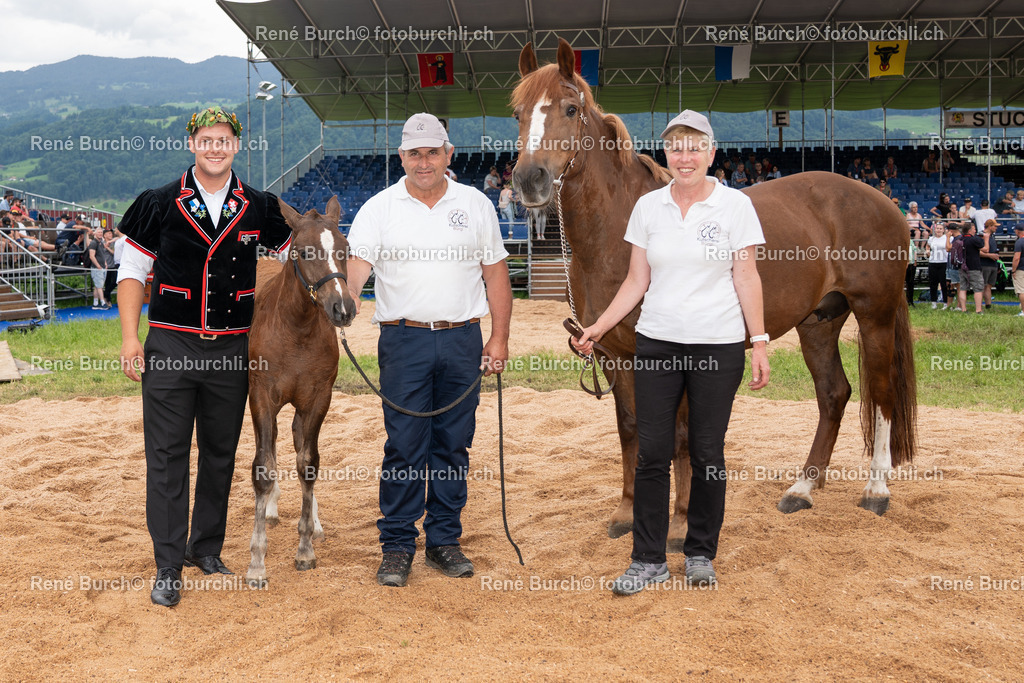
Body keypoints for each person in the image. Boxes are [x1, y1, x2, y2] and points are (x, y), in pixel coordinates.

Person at [572, 110, 770, 595]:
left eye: (695, 147)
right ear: (667, 153)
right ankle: (647, 559)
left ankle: (701, 552)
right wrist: (598, 326)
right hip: (657, 343)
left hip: (718, 345)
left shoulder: (736, 206)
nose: (685, 157)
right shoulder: (649, 208)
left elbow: (746, 276)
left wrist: (759, 341)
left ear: (711, 153)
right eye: (677, 147)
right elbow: (636, 280)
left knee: (707, 452)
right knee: (653, 453)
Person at [116, 105, 293, 607]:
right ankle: (168, 564)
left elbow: (298, 253)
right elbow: (131, 272)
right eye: (207, 140)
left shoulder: (260, 205)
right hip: (171, 344)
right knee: (167, 455)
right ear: (192, 143)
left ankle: (206, 548)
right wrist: (130, 337)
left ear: (236, 145)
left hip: (233, 348)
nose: (216, 148)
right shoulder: (158, 201)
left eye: (224, 140)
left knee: (219, 453)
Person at [345, 112, 512, 589]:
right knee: (403, 445)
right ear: (401, 157)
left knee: (453, 445)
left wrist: (499, 338)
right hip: (404, 341)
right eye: (414, 153)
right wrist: (348, 299)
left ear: (448, 154)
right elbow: (357, 269)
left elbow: (495, 273)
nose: (424, 162)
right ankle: (397, 546)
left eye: (432, 152)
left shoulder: (475, 204)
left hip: (463, 339)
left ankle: (443, 541)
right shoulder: (379, 208)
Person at [958, 221, 986, 314]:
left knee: (963, 288)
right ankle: (978, 310)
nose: (975, 231)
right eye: (974, 229)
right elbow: (985, 249)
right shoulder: (974, 240)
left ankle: (963, 309)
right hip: (974, 267)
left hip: (961, 266)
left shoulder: (959, 239)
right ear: (969, 230)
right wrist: (986, 239)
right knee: (978, 288)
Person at [87, 226, 114, 309]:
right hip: (96, 268)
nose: (100, 234)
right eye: (98, 232)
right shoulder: (93, 243)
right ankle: (103, 303)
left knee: (97, 286)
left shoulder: (101, 243)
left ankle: (95, 303)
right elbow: (92, 256)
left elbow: (102, 254)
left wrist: (105, 263)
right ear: (95, 233)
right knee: (99, 287)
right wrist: (98, 265)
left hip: (102, 267)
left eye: (101, 232)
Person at [925, 223, 949, 309]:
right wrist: (928, 251)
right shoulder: (931, 239)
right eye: (937, 228)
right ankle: (933, 302)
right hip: (933, 262)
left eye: (940, 228)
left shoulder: (946, 238)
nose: (938, 230)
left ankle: (945, 302)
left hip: (943, 262)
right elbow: (927, 246)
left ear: (943, 230)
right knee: (933, 283)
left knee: (944, 283)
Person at [979, 218, 1001, 309]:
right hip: (984, 264)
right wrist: (989, 255)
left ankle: (988, 305)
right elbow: (977, 252)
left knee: (989, 285)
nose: (996, 228)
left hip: (993, 264)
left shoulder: (992, 237)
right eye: (995, 226)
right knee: (982, 285)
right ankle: (979, 306)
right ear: (990, 226)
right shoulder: (980, 236)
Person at [945, 223, 961, 309]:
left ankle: (959, 305)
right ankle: (949, 304)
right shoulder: (954, 239)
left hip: (956, 266)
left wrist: (947, 237)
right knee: (949, 285)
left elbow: (948, 248)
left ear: (950, 231)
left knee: (958, 286)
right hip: (950, 265)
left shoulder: (959, 239)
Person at [1011, 223, 1024, 317]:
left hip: (1021, 268)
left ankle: (1023, 311)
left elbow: (1016, 258)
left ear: (1017, 231)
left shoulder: (1019, 242)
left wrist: (1013, 270)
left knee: (1021, 290)